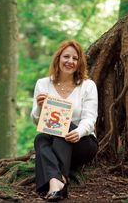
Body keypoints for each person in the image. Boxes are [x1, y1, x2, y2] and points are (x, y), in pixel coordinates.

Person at [31, 40, 98, 201]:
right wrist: (40, 107)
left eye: (75, 58)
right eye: (66, 56)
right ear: (58, 58)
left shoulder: (87, 86)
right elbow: (36, 120)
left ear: (79, 62)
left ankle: (55, 177)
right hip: (54, 140)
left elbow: (90, 118)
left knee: (62, 125)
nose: (70, 61)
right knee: (41, 138)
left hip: (82, 143)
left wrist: (78, 132)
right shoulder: (43, 84)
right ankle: (56, 183)